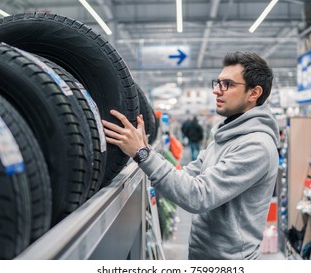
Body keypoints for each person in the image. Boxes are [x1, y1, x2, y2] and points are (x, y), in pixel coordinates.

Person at [102, 51, 279, 260]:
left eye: (228, 85)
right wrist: (144, 149)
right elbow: (186, 177)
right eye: (218, 82)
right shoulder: (226, 136)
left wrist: (142, 154)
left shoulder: (256, 146)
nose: (216, 90)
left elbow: (197, 196)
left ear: (254, 93)